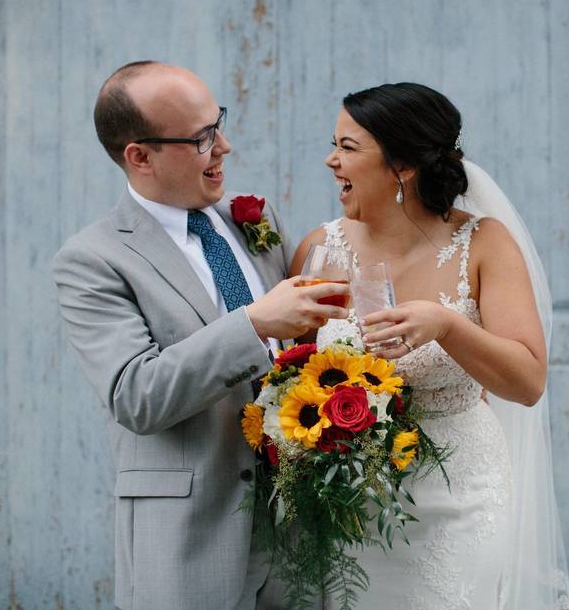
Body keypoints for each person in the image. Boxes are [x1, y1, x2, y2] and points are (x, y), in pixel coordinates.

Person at [52, 61, 348, 610]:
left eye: (219, 124)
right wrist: (255, 323)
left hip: (297, 529)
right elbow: (135, 396)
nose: (225, 146)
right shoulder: (93, 259)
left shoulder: (254, 220)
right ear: (139, 156)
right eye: (201, 138)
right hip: (190, 537)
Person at [290, 83, 569, 609]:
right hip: (351, 503)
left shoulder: (484, 244)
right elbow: (293, 376)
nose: (331, 160)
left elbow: (529, 382)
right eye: (334, 144)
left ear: (402, 166)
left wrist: (448, 325)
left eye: (348, 148)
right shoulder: (318, 251)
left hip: (459, 499)